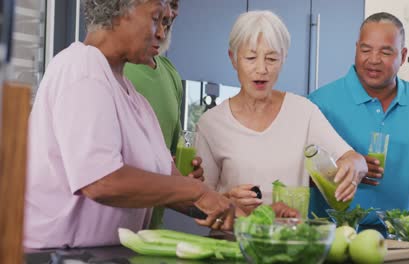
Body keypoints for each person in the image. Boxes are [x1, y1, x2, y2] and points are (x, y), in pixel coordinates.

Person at [24, 0, 235, 249]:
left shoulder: (136, 101)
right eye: (156, 18)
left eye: (166, 22)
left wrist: (244, 215)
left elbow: (172, 182)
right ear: (120, 9)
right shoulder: (82, 67)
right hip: (57, 254)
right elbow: (100, 180)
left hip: (104, 254)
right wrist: (194, 191)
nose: (161, 32)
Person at [195, 10, 368, 217]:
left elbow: (352, 158)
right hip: (231, 243)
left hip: (290, 242)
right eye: (250, 57)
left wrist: (353, 165)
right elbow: (199, 202)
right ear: (233, 58)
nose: (262, 69)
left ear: (284, 58)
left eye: (271, 58)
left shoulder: (304, 112)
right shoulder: (211, 124)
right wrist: (227, 203)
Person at [308, 12, 409, 226]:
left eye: (385, 52)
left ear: (403, 56)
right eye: (365, 50)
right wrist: (343, 171)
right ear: (356, 49)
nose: (373, 60)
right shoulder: (319, 102)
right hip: (332, 238)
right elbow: (295, 175)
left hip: (400, 237)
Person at [123, 0, 186, 229]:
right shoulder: (98, 73)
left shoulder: (169, 73)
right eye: (157, 14)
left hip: (151, 229)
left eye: (173, 5)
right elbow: (100, 178)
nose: (167, 17)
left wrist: (188, 179)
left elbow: (167, 158)